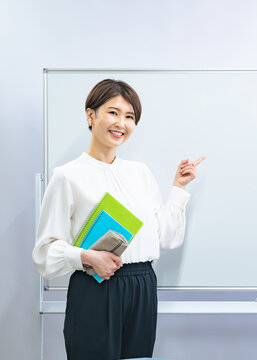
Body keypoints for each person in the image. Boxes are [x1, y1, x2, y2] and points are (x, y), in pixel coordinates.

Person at [32, 79, 206, 360]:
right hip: (95, 287)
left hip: (142, 285)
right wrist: (87, 257)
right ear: (91, 115)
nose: (121, 123)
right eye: (113, 112)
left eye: (130, 117)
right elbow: (44, 254)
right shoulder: (67, 175)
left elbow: (166, 238)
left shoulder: (140, 173)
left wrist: (178, 188)